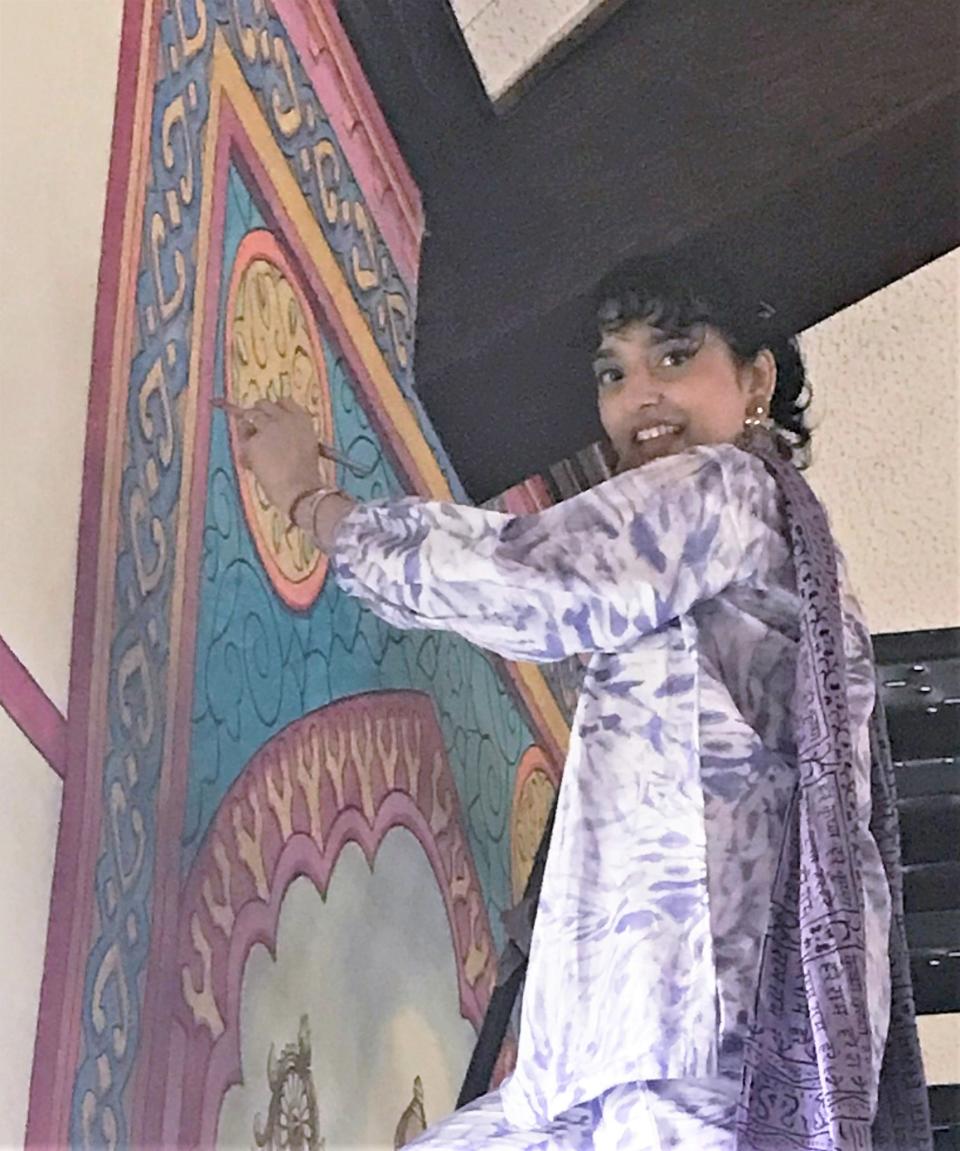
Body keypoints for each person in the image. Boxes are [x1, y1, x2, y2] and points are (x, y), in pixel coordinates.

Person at [231, 264, 930, 1151]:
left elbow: (534, 582)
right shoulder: (783, 553)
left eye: (674, 356)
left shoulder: (725, 490)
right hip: (650, 1037)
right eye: (613, 372)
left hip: (680, 1022)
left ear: (757, 380)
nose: (641, 394)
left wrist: (313, 505)